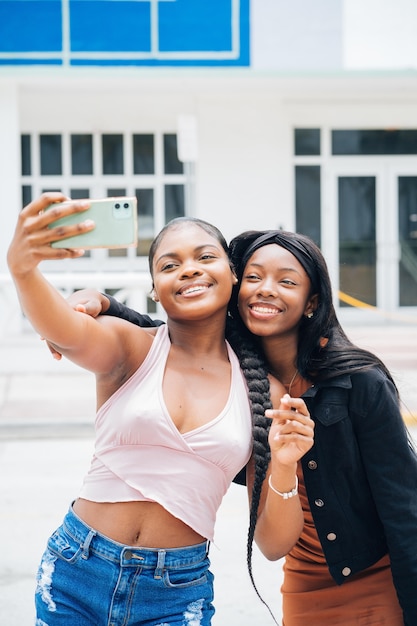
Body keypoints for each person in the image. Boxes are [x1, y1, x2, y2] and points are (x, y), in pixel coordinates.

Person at [72, 229, 417, 625]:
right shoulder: (238, 371)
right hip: (303, 582)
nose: (265, 290)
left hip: (373, 577)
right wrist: (107, 305)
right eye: (253, 277)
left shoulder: (358, 382)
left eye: (286, 281)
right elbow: (168, 328)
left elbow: (404, 507)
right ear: (235, 286)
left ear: (312, 302)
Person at [7, 194, 314, 626]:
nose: (188, 268)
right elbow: (64, 329)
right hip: (77, 569)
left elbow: (272, 544)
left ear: (231, 274)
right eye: (169, 265)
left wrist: (285, 467)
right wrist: (23, 270)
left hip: (175, 593)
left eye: (204, 257)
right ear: (155, 289)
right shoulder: (130, 347)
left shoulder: (265, 391)